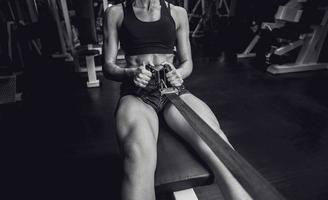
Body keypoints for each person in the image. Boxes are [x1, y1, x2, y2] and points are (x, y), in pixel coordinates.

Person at [103, 0, 252, 199]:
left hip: (174, 91)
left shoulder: (178, 12)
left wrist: (178, 74)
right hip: (136, 94)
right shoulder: (115, 12)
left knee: (218, 144)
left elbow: (187, 62)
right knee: (138, 158)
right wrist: (131, 73)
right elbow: (108, 66)